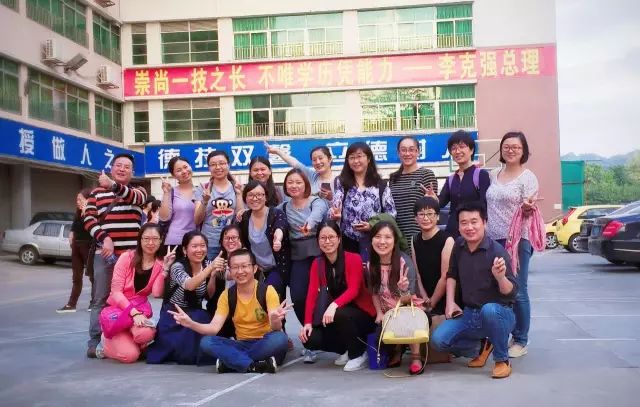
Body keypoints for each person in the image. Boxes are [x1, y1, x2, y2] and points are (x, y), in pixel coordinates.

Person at [430, 201, 518, 379]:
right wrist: (450, 303)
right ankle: (482, 346)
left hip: (499, 314)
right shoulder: (459, 245)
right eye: (464, 223)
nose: (469, 227)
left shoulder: (496, 251)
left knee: (489, 310)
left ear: (484, 222)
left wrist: (500, 278)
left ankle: (502, 359)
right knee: (438, 341)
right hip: (470, 314)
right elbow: (452, 274)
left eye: (474, 221)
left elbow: (512, 292)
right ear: (458, 226)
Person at [170, 248, 290, 374]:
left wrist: (275, 320)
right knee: (207, 342)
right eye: (235, 267)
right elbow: (213, 328)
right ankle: (255, 365)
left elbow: (276, 327)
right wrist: (190, 323)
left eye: (244, 266)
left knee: (280, 338)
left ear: (254, 269)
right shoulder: (227, 295)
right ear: (230, 271)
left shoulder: (267, 291)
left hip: (265, 341)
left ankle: (232, 362)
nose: (240, 271)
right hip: (240, 343)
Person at [83, 154, 147, 358]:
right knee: (100, 298)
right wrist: (105, 238)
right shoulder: (96, 193)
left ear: (132, 172)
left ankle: (131, 338)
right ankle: (95, 341)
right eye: (118, 165)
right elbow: (88, 219)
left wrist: (112, 185)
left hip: (131, 258)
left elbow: (135, 198)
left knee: (132, 298)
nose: (122, 169)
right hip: (105, 255)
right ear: (111, 168)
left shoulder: (139, 192)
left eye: (127, 167)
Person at [486, 131, 540, 358]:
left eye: (516, 147)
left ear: (523, 151)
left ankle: (520, 340)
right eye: (507, 146)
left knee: (518, 289)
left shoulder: (528, 177)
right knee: (499, 288)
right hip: (493, 240)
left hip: (517, 240)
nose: (511, 150)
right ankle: (503, 334)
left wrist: (528, 208)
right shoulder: (493, 174)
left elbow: (530, 208)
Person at [299, 221, 376, 370]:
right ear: (317, 241)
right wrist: (307, 323)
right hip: (338, 315)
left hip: (362, 315)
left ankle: (358, 354)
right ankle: (346, 349)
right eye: (323, 238)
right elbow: (312, 294)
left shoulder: (353, 258)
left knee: (340, 314)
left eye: (331, 237)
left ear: (339, 239)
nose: (327, 241)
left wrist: (333, 306)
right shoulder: (317, 263)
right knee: (309, 338)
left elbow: (354, 289)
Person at [95, 223, 173, 363]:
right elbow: (116, 292)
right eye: (146, 238)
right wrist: (134, 313)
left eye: (155, 239)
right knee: (130, 356)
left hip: (140, 309)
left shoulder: (160, 263)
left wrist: (165, 269)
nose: (150, 243)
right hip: (119, 310)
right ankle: (105, 344)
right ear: (140, 239)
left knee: (146, 334)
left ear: (161, 240)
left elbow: (156, 293)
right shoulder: (127, 257)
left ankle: (129, 342)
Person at [146, 231, 217, 365]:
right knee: (184, 354)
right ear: (185, 250)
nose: (199, 250)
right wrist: (209, 269)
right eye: (194, 246)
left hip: (195, 313)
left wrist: (214, 275)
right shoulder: (177, 267)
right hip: (174, 315)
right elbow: (189, 285)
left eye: (202, 246)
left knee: (203, 317)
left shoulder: (208, 264)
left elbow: (227, 276)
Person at [367, 221, 425, 375]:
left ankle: (416, 357)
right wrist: (379, 313)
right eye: (378, 237)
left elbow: (409, 299)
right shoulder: (371, 264)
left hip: (408, 307)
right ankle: (398, 350)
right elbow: (374, 292)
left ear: (395, 241)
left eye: (387, 237)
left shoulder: (404, 262)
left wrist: (403, 290)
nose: (382, 241)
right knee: (379, 339)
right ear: (371, 240)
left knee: (409, 321)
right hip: (387, 312)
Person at [330, 142, 396, 262]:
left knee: (372, 271)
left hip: (375, 240)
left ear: (368, 159)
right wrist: (334, 213)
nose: (356, 161)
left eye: (359, 156)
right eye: (352, 157)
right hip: (348, 240)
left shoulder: (380, 184)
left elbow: (391, 214)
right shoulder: (341, 182)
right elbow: (335, 205)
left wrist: (372, 225)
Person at [279, 168, 328, 325]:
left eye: (298, 182)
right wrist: (243, 212)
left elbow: (317, 214)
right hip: (298, 256)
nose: (294, 186)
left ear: (306, 184)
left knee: (323, 293)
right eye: (290, 182)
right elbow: (266, 214)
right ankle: (308, 327)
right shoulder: (283, 207)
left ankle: (325, 330)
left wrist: (309, 224)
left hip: (320, 253)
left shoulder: (316, 201)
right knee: (298, 296)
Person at [425, 130, 490, 237]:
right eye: (454, 148)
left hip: (473, 232)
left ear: (471, 150)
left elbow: (485, 205)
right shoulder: (451, 179)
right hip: (453, 232)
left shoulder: (481, 175)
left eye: (462, 146)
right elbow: (440, 203)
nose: (457, 151)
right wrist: (433, 199)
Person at [237, 181, 290, 302]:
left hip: (277, 266)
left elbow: (280, 227)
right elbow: (239, 238)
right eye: (251, 195)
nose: (255, 198)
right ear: (245, 198)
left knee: (269, 294)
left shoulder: (276, 213)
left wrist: (278, 239)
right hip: (255, 268)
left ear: (265, 197)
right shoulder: (244, 218)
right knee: (253, 301)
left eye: (259, 195)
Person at [194, 151, 243, 260]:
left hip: (232, 242)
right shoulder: (203, 188)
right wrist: (205, 201)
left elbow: (240, 217)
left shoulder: (236, 187)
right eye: (213, 164)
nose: (218, 167)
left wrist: (239, 194)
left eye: (222, 163)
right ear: (209, 168)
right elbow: (197, 220)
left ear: (228, 165)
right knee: (210, 270)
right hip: (209, 243)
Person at [411, 197, 455, 316]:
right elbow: (417, 274)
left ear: (438, 216)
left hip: (444, 300)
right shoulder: (414, 240)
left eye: (430, 214)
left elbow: (445, 277)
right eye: (421, 214)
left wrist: (431, 303)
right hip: (424, 299)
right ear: (415, 218)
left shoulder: (447, 240)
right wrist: (425, 298)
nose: (426, 218)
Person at [388, 136, 438, 240]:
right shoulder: (393, 178)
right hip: (397, 235)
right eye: (403, 150)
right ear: (398, 153)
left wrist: (434, 201)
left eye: (411, 150)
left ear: (418, 152)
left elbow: (433, 208)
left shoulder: (426, 174)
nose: (407, 154)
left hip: (419, 236)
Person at [57, 188, 94, 313]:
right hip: (76, 246)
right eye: (77, 199)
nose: (77, 202)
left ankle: (93, 303)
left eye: (80, 199)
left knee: (92, 276)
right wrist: (71, 234)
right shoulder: (78, 213)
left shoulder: (92, 213)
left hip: (88, 246)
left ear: (88, 200)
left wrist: (86, 212)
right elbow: (74, 227)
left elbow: (92, 228)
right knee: (76, 277)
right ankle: (71, 304)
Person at [264, 141, 336, 201]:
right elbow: (295, 163)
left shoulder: (338, 181)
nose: (317, 162)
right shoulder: (312, 176)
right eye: (314, 160)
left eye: (320, 158)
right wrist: (277, 151)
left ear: (329, 159)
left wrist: (332, 198)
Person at [158, 156, 196, 247]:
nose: (184, 171)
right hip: (175, 241)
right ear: (173, 175)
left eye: (185, 167)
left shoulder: (201, 190)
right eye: (179, 170)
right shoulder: (171, 192)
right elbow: (164, 218)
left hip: (196, 241)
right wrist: (166, 193)